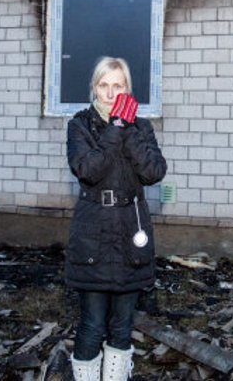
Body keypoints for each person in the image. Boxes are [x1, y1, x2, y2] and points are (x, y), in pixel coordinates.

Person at [65, 56, 167, 381]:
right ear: (94, 88)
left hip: (130, 232)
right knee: (93, 324)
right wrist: (116, 127)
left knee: (122, 326)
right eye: (104, 85)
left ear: (127, 89)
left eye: (117, 86)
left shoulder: (142, 126)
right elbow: (88, 170)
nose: (110, 93)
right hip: (93, 233)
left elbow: (153, 172)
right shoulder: (79, 125)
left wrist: (130, 130)